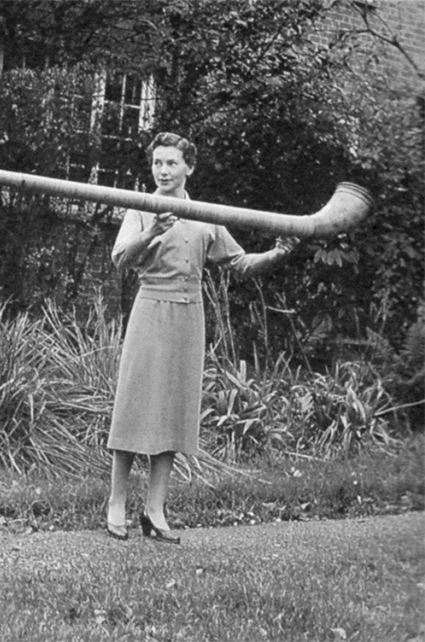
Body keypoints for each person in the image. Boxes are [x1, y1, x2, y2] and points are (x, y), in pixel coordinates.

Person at [105, 132, 296, 544]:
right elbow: (121, 259)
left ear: (189, 167)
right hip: (150, 309)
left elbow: (239, 263)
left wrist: (278, 253)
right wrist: (152, 229)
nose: (163, 171)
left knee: (174, 411)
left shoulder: (206, 214)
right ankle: (117, 502)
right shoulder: (140, 208)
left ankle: (155, 509)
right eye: (157, 163)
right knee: (134, 406)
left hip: (189, 316)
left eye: (172, 163)